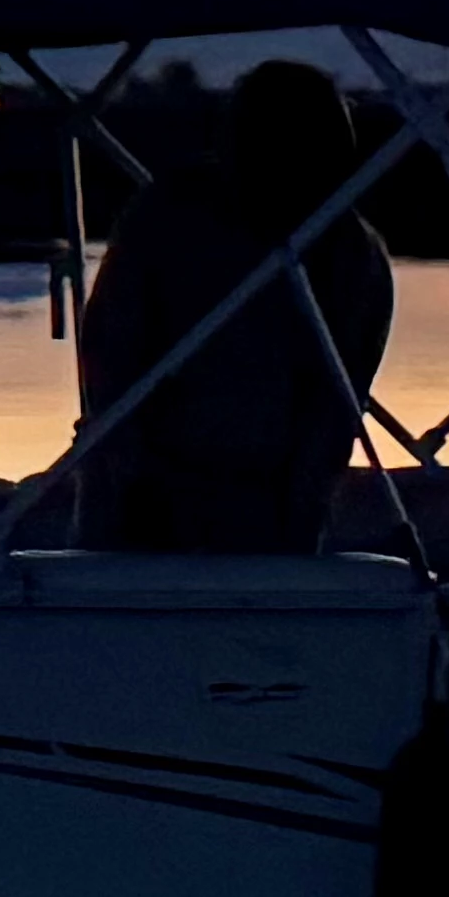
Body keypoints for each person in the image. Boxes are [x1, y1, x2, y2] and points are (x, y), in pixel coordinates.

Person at [70, 58, 392, 555]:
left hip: (266, 502)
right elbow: (109, 362)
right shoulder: (166, 218)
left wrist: (297, 538)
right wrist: (132, 472)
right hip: (139, 496)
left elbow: (332, 418)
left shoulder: (353, 255)